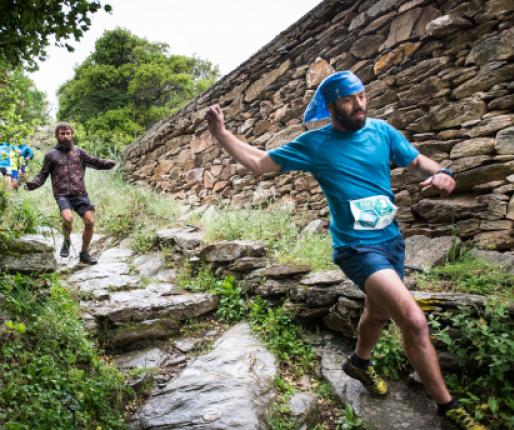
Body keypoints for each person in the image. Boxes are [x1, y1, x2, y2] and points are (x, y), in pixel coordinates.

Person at [204, 71, 486, 430]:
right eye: (350, 100)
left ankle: (359, 363)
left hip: (391, 241)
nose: (360, 105)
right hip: (356, 248)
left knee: (378, 313)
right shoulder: (315, 144)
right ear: (332, 105)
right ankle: (447, 407)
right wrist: (221, 134)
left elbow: (417, 163)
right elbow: (259, 163)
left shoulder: (382, 131)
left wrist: (442, 171)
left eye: (363, 96)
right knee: (413, 321)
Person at [23, 122, 116, 265]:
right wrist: (33, 184)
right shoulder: (51, 155)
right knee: (68, 218)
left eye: (68, 133)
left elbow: (95, 162)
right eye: (62, 134)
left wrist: (108, 163)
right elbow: (42, 175)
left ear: (71, 134)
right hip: (62, 194)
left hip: (80, 193)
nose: (65, 136)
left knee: (90, 221)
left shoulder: (79, 152)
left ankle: (84, 253)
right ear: (57, 135)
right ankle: (66, 240)